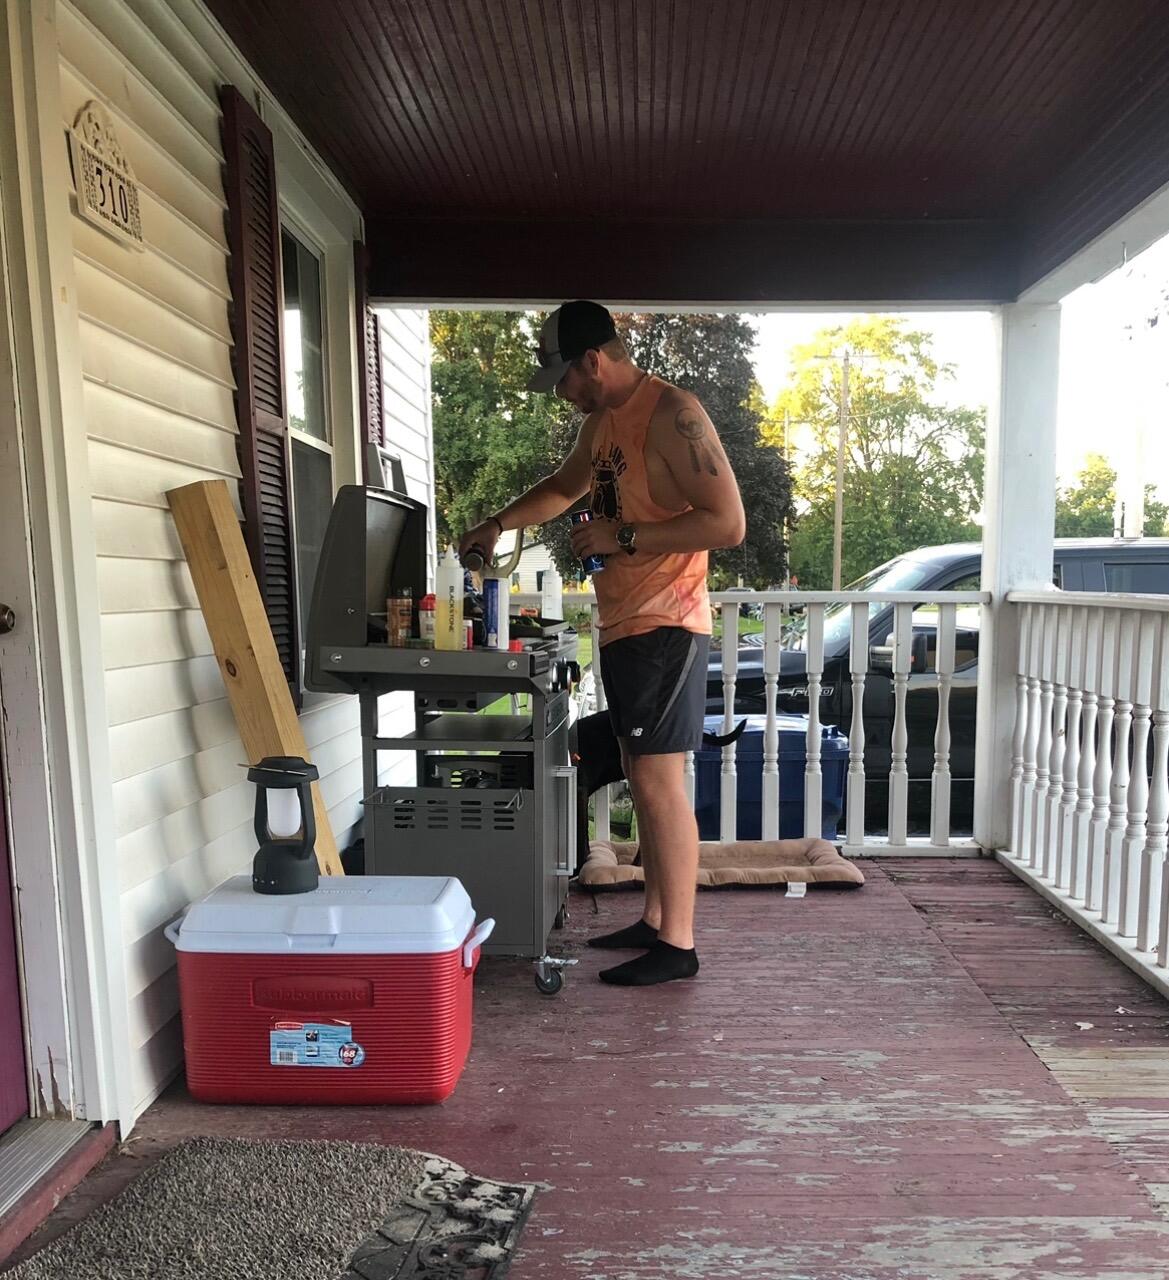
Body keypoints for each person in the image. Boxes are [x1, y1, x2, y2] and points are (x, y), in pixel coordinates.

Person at [459, 300, 745, 986]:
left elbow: (727, 523)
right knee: (639, 773)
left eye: (564, 378)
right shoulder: (602, 422)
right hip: (624, 622)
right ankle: (655, 918)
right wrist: (497, 524)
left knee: (658, 781)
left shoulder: (674, 414)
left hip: (665, 621)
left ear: (594, 360)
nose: (561, 392)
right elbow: (564, 487)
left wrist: (623, 536)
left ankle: (678, 945)